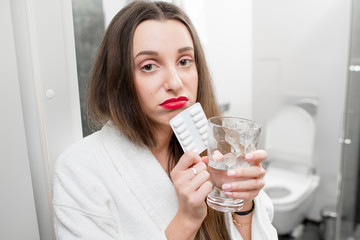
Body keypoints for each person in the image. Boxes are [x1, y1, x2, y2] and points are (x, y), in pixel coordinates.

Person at [52, 1, 278, 239]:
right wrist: (186, 220)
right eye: (149, 66)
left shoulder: (218, 151)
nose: (175, 83)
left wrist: (243, 204)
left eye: (184, 61)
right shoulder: (80, 169)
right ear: (118, 77)